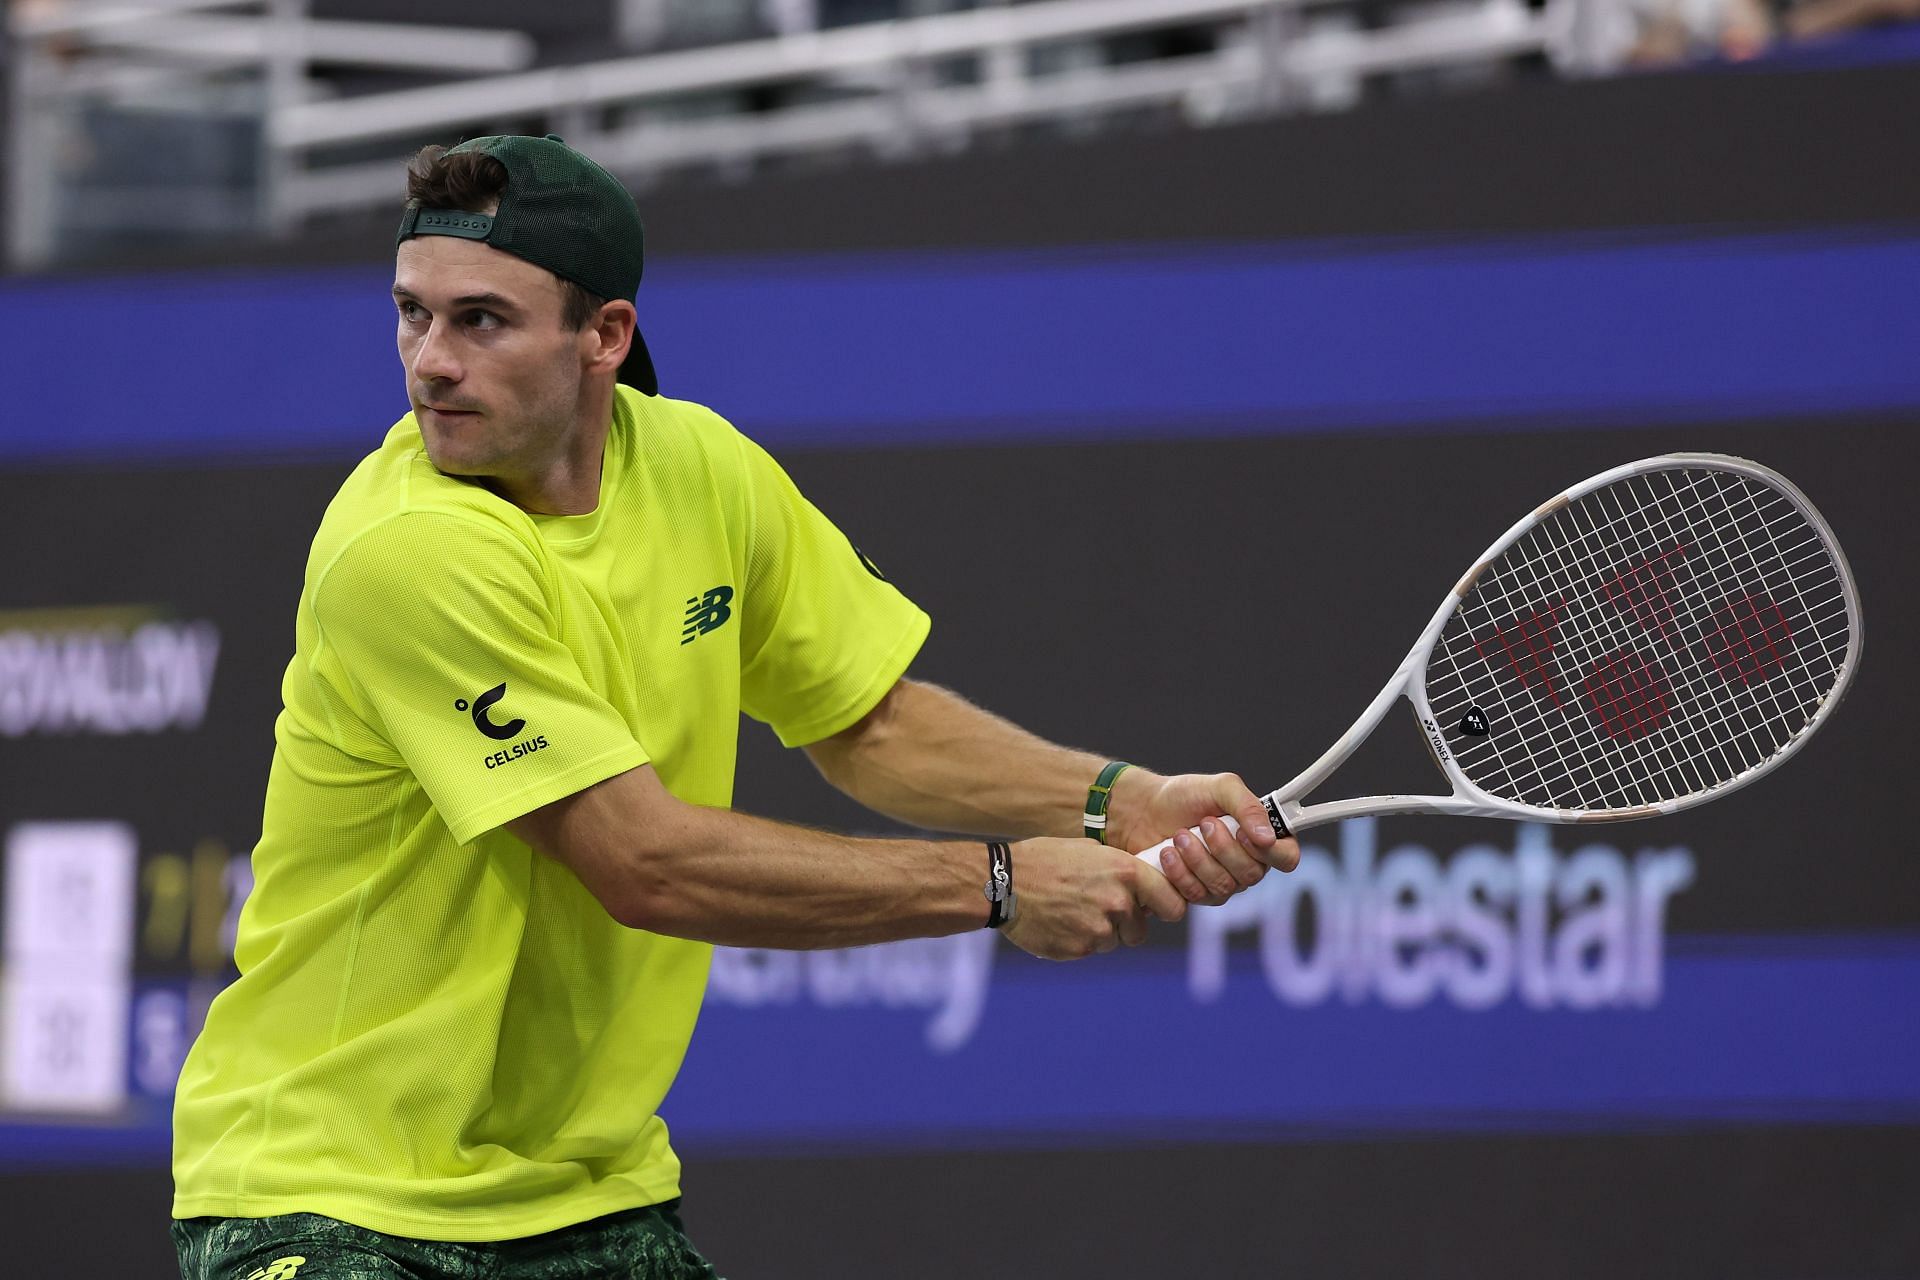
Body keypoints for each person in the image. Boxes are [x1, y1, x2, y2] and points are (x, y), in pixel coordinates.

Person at [169, 133, 1298, 1280]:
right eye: (413, 313)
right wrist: (1002, 882)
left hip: (584, 1194)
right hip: (327, 1196)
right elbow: (642, 861)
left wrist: (1120, 799)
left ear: (605, 335)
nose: (430, 361)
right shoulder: (408, 549)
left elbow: (872, 722)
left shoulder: (702, 468)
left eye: (483, 320)